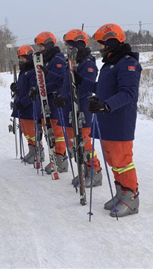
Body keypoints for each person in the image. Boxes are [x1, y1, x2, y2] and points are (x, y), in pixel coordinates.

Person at [87, 23, 142, 217]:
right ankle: (121, 193)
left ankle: (131, 196)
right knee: (112, 160)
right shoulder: (110, 64)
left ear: (111, 42)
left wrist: (106, 105)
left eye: (102, 44)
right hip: (106, 119)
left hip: (120, 120)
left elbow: (128, 93)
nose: (100, 47)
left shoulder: (127, 63)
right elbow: (103, 88)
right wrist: (81, 81)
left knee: (122, 160)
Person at [51, 29, 102, 187]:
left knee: (84, 143)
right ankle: (84, 171)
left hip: (82, 109)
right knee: (73, 143)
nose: (67, 47)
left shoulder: (87, 63)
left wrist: (66, 98)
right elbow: (67, 84)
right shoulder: (70, 61)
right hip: (69, 109)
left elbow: (85, 88)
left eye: (70, 44)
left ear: (78, 44)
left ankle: (95, 171)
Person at [33, 31, 68, 174]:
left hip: (54, 101)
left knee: (57, 132)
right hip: (45, 100)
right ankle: (54, 157)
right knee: (49, 132)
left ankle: (61, 159)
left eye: (41, 46)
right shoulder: (46, 59)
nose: (39, 49)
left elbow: (59, 82)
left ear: (47, 44)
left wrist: (43, 90)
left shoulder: (57, 59)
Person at [11, 44, 43, 164]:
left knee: (32, 131)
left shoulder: (33, 71)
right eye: (20, 58)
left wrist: (23, 103)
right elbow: (23, 87)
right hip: (22, 107)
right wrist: (16, 88)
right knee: (25, 131)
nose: (21, 60)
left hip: (30, 107)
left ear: (29, 57)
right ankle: (32, 150)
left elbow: (33, 91)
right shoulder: (23, 71)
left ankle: (38, 151)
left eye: (23, 58)